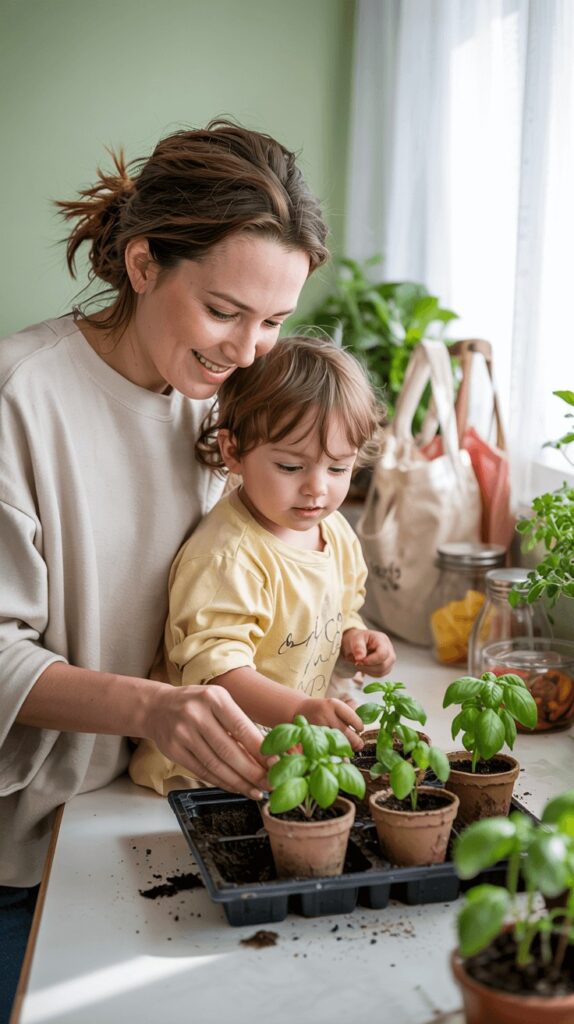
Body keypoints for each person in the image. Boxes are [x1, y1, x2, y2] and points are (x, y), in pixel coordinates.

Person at [0, 119, 329, 1019]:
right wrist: (154, 708)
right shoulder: (20, 399)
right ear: (143, 264)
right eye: (224, 311)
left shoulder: (227, 406)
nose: (247, 350)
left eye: (273, 322)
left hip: (157, 816)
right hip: (25, 858)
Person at [129, 336, 396, 795]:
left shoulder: (336, 534)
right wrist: (300, 710)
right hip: (211, 767)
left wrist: (356, 637)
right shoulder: (227, 556)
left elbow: (340, 606)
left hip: (289, 755)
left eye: (337, 469)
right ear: (233, 451)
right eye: (291, 467)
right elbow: (217, 673)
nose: (317, 489)